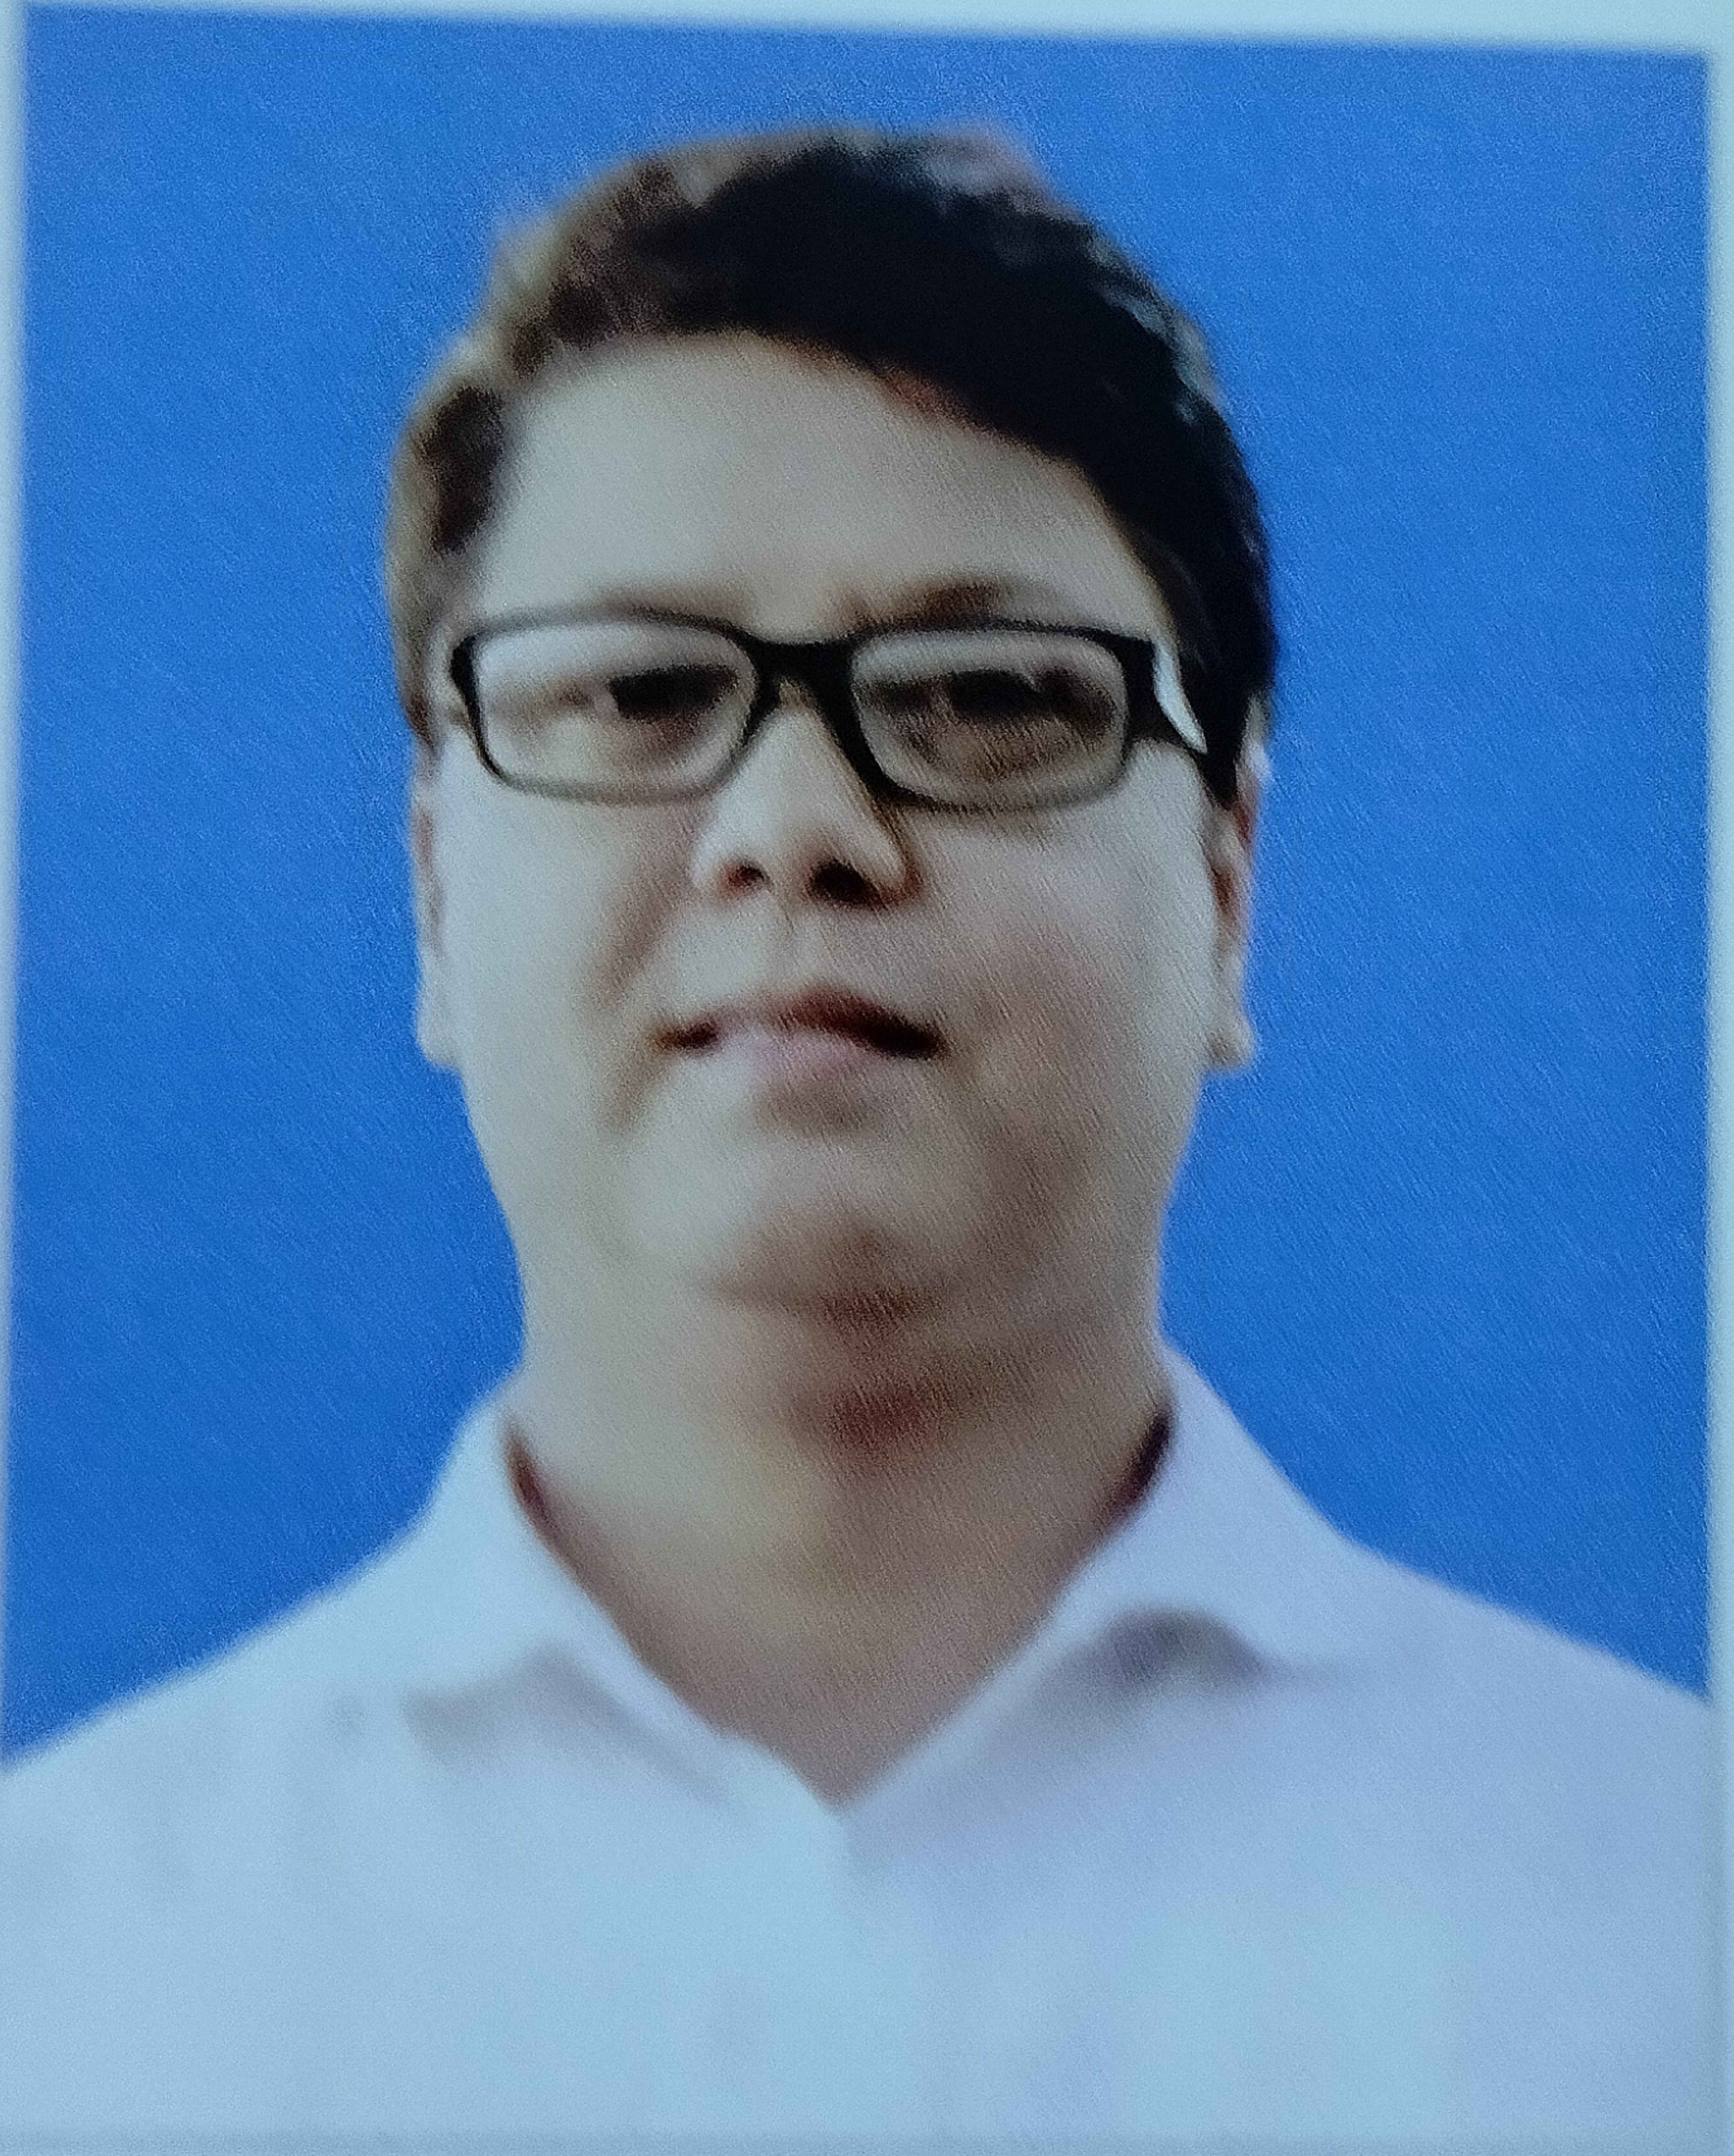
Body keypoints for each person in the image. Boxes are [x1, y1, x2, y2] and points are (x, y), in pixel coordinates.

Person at [0, 128, 1714, 2143]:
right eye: (639, 691)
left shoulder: (1662, 1911)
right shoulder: (79, 1963)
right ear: (439, 894)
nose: (798, 823)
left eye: (987, 695)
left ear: (1229, 885)